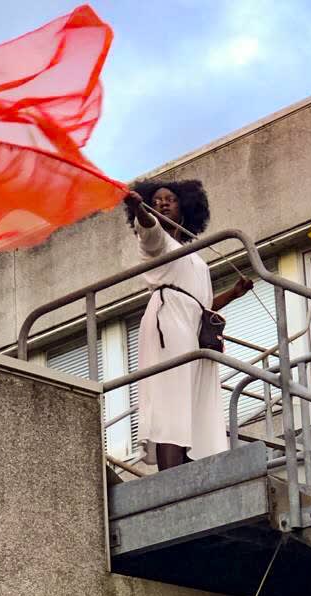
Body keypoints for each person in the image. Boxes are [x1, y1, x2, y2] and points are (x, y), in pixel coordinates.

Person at [124, 180, 253, 471]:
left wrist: (234, 293)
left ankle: (187, 469)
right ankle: (171, 477)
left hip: (193, 327)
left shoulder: (196, 258)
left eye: (170, 199)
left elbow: (204, 305)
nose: (162, 203)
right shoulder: (157, 242)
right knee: (172, 399)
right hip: (168, 321)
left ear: (185, 208)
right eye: (156, 200)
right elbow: (149, 229)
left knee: (189, 403)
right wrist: (138, 210)